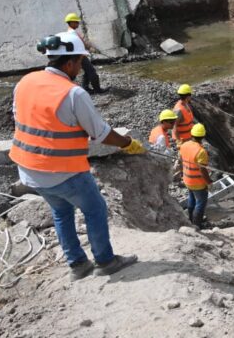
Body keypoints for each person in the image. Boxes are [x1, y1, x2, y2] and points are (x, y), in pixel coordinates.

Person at [9, 32, 146, 281]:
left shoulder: (25, 82)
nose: (82, 67)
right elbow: (101, 133)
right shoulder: (73, 94)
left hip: (29, 170)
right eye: (81, 62)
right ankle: (105, 261)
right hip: (63, 171)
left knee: (61, 213)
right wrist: (127, 143)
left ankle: (77, 265)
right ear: (70, 63)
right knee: (95, 209)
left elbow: (21, 117)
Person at [64, 13, 106, 94]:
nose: (78, 24)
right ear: (71, 22)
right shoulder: (73, 33)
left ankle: (85, 88)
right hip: (80, 56)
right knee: (92, 71)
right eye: (76, 22)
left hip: (78, 55)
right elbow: (83, 43)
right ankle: (98, 90)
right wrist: (92, 49)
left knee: (87, 71)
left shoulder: (69, 32)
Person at [179, 123, 212, 229]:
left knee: (192, 199)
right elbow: (202, 170)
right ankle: (197, 225)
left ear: (192, 134)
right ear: (203, 136)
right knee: (200, 203)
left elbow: (181, 161)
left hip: (187, 179)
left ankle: (191, 220)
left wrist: (181, 173)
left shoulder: (184, 145)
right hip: (198, 183)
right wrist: (209, 182)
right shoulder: (201, 151)